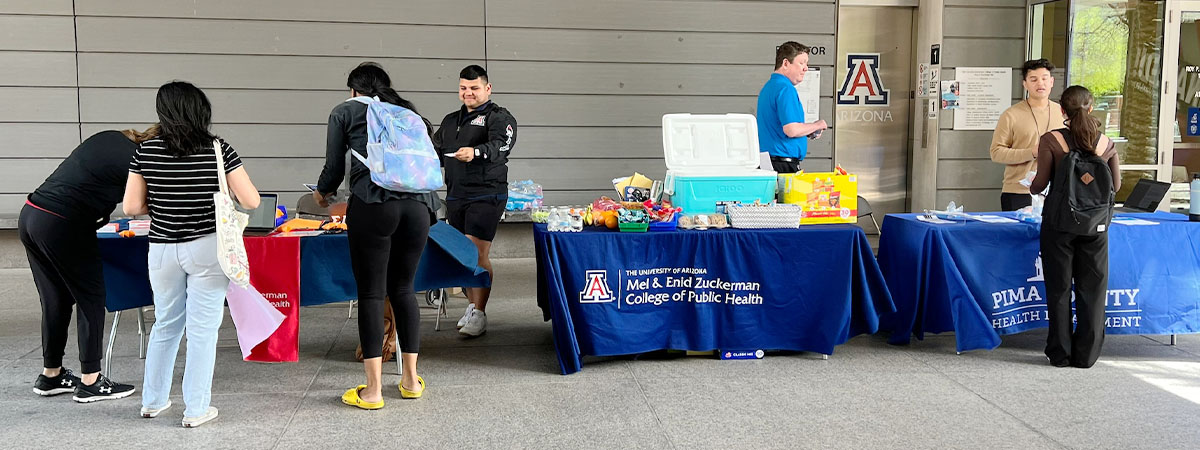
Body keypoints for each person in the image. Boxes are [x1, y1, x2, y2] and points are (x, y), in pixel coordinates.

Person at [125, 81, 260, 427]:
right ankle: (196, 408)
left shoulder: (146, 150)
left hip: (162, 249)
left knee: (165, 323)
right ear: (201, 110)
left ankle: (153, 401)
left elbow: (131, 206)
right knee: (203, 329)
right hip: (207, 247)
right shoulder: (218, 149)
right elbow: (252, 200)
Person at [313, 62, 438, 409]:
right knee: (404, 289)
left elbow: (334, 168)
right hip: (418, 208)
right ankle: (411, 381)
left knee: (371, 293)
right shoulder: (405, 112)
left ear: (354, 90)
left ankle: (373, 391)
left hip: (373, 204)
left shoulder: (345, 112)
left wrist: (322, 195)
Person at [21, 128, 157, 402]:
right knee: (91, 298)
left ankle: (51, 374)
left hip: (32, 215)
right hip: (64, 223)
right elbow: (144, 203)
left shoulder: (108, 138)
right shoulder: (138, 159)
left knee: (55, 299)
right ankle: (91, 381)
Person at [1029, 85, 1120, 369]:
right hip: (1096, 228)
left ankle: (1060, 353)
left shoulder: (1052, 140)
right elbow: (1115, 186)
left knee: (1059, 289)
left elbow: (1039, 184)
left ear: (1062, 110)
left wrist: (1037, 184)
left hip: (1059, 225)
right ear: (1091, 108)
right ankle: (1087, 355)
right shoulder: (1105, 143)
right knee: (1093, 290)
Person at [434, 64, 517, 337]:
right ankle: (471, 307)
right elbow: (434, 151)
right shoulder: (449, 121)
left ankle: (479, 313)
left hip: (487, 193)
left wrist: (476, 152)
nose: (468, 93)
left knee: (477, 252)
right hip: (456, 195)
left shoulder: (499, 117)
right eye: (463, 88)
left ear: (487, 89)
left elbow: (500, 147)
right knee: (462, 254)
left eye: (474, 88)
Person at [991, 58, 1066, 211]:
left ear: (1051, 82)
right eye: (1033, 79)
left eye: (1044, 78)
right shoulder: (1011, 114)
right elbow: (996, 152)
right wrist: (1031, 152)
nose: (1040, 83)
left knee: (1052, 235)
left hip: (1056, 191)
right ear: (1025, 84)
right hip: (1018, 191)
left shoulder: (1063, 113)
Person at [756, 41, 828, 174]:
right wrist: (817, 125)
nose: (806, 68)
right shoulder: (785, 89)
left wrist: (807, 130)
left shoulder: (769, 87)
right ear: (785, 64)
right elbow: (791, 130)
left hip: (768, 162)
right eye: (802, 63)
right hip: (783, 165)